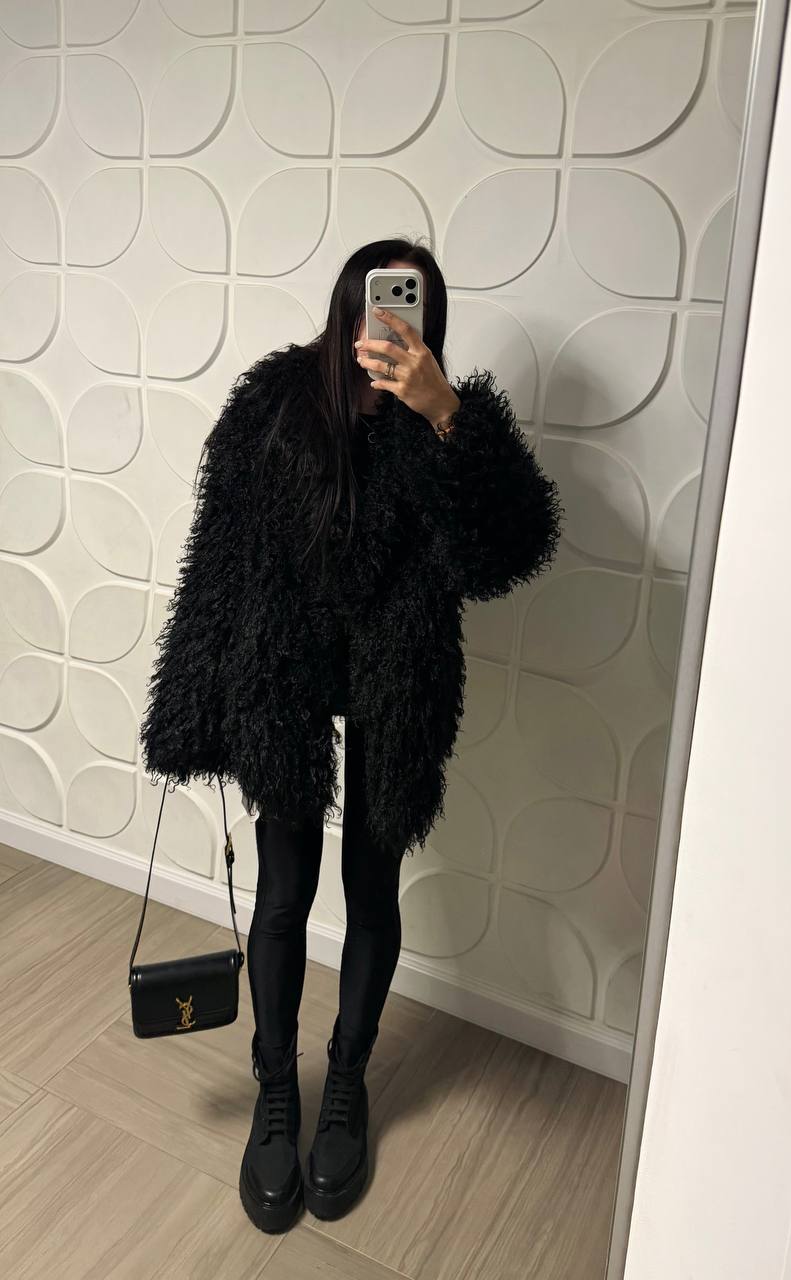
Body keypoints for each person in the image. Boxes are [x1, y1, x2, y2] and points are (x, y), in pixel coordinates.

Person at [137, 238, 563, 1234]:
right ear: (346, 308)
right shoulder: (274, 401)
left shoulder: (439, 416)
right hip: (283, 673)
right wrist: (198, 702)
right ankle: (275, 1086)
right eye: (377, 303)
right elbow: (220, 555)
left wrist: (445, 414)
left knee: (371, 889)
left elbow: (506, 553)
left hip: (396, 676)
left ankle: (346, 1081)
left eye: (410, 307)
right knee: (284, 893)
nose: (391, 321)